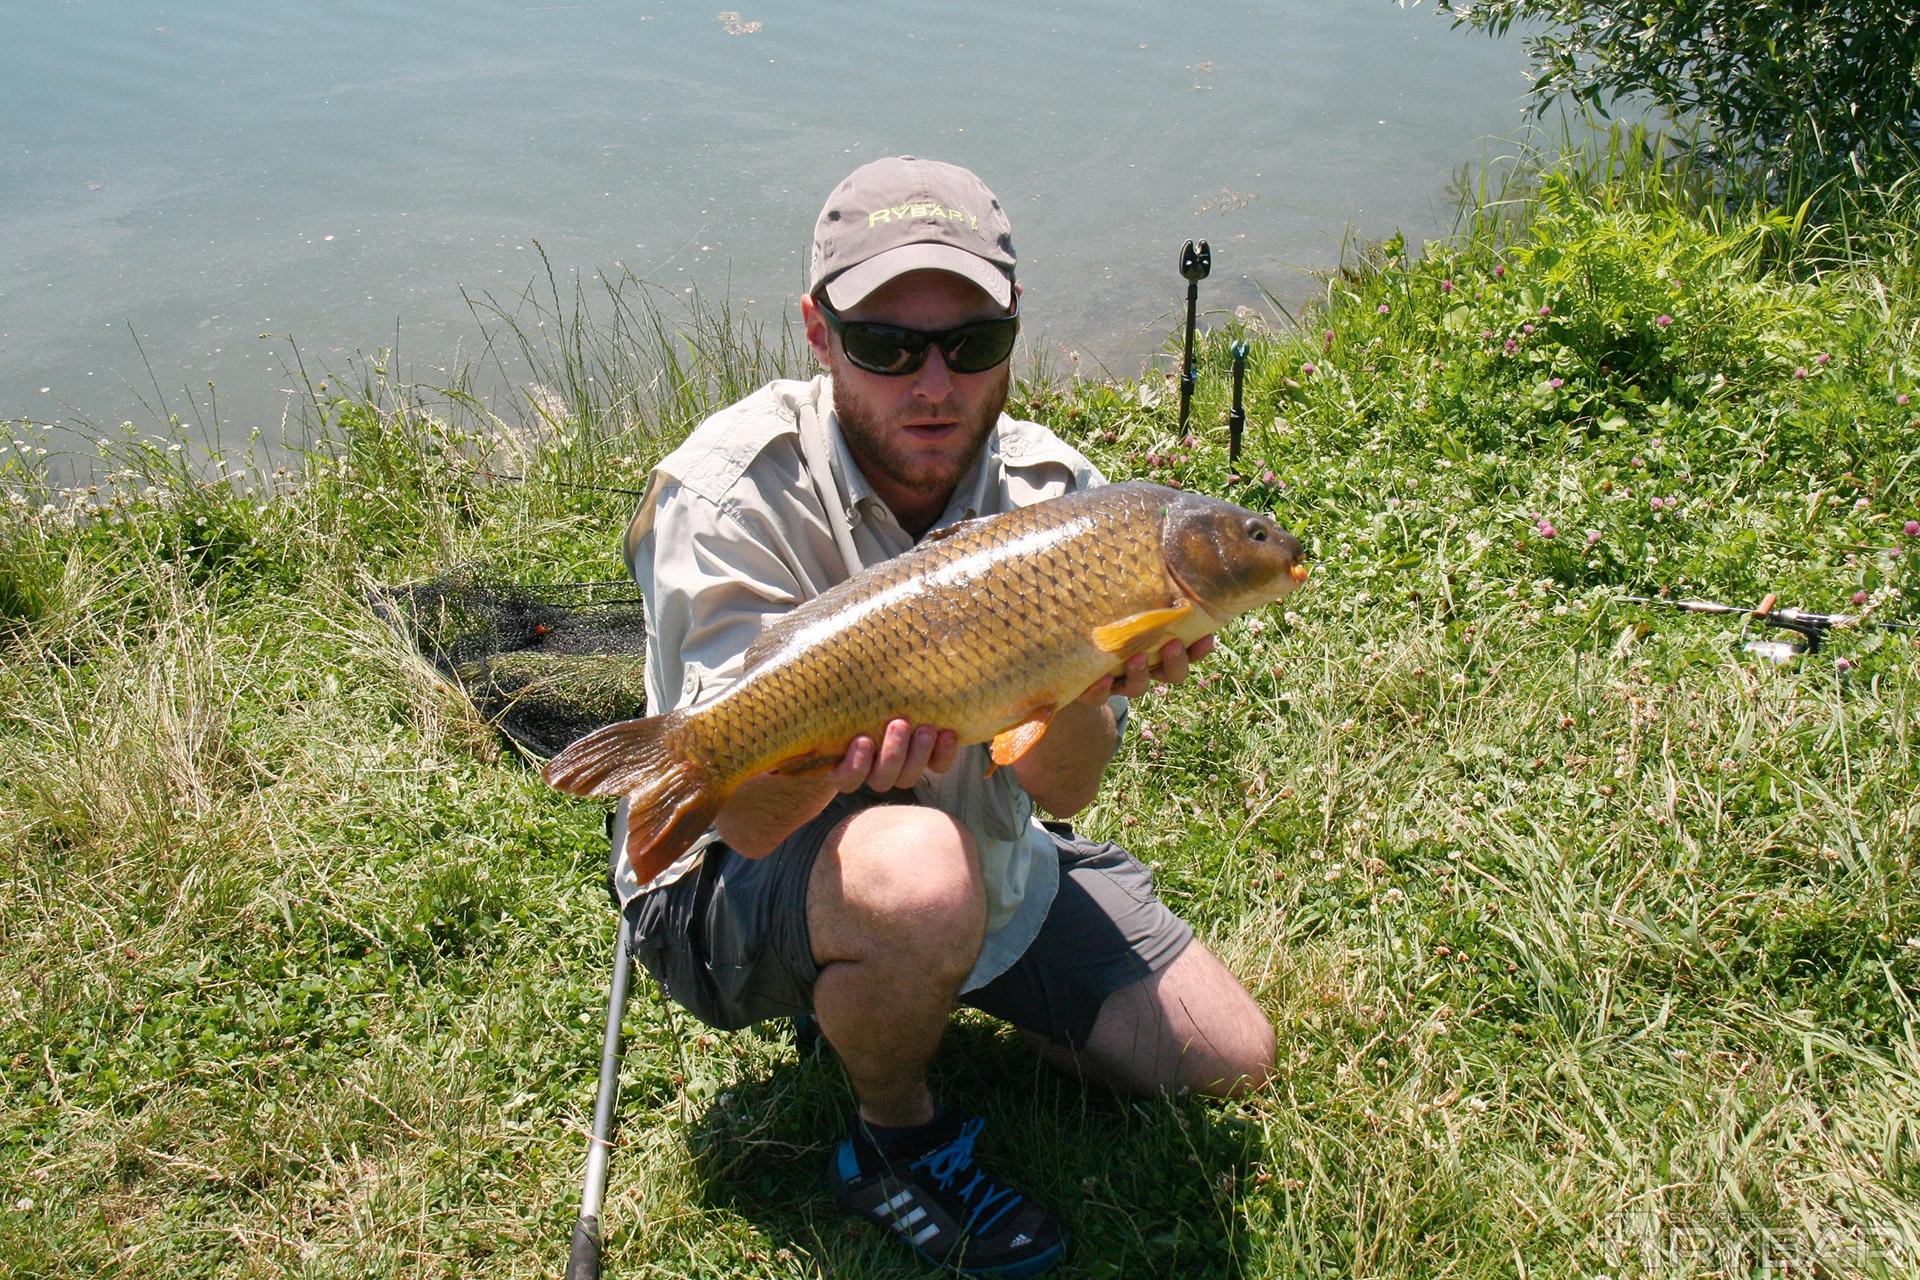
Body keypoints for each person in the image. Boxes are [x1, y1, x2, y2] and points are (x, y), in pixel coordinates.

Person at [614, 155, 1274, 1277]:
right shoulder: (723, 494)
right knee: (916, 871)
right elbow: (745, 822)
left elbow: (1062, 785)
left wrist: (1090, 686)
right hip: (737, 867)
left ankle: (921, 966)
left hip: (987, 840)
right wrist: (837, 760)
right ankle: (896, 1136)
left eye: (972, 344)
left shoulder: (1061, 497)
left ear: (1012, 336)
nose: (934, 383)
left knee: (1229, 1054)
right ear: (820, 334)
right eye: (886, 345)